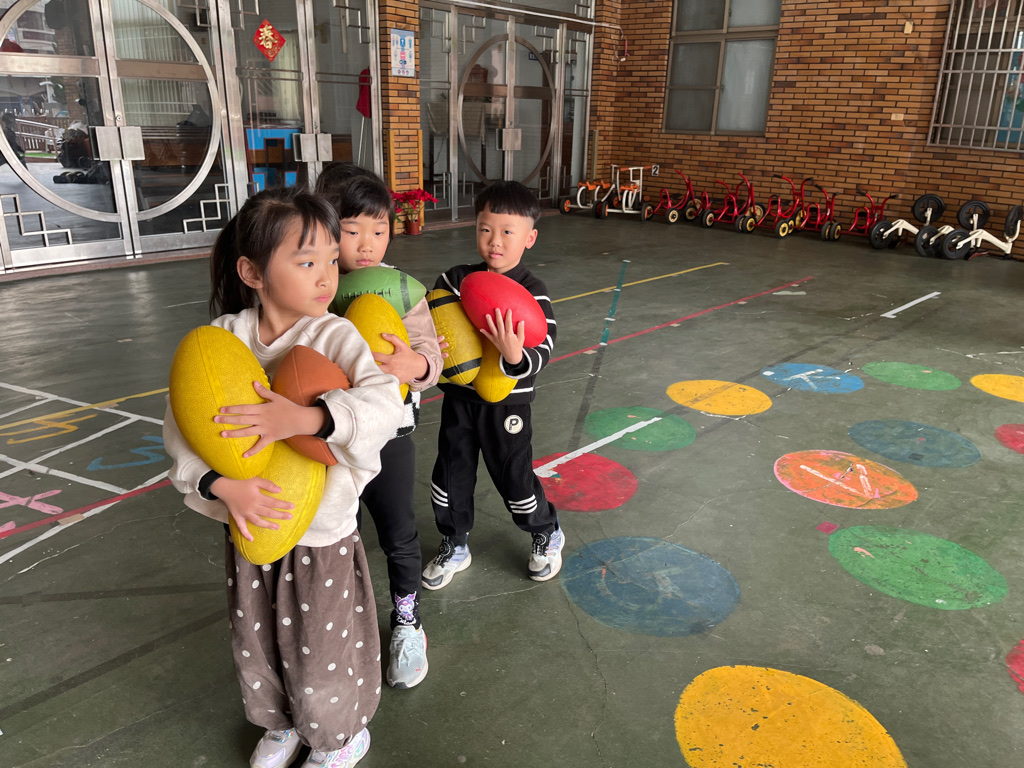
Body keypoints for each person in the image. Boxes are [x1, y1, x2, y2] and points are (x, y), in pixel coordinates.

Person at [163, 186, 404, 768]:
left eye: (330, 260)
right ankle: (281, 723)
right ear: (252, 272)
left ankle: (340, 735)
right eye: (306, 262)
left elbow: (385, 407)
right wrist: (221, 487)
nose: (327, 277)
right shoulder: (222, 339)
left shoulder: (335, 336)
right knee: (258, 641)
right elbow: (182, 428)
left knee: (322, 646)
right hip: (252, 528)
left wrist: (309, 419)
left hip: (322, 535)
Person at [315, 164, 443, 690]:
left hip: (391, 437)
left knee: (397, 531)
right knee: (334, 535)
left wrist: (418, 364)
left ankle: (408, 621)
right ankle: (336, 625)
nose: (367, 244)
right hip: (328, 439)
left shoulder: (400, 289)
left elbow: (432, 352)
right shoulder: (314, 285)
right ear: (326, 229)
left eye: (379, 229)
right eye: (352, 230)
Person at [422, 180, 563, 591]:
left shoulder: (533, 291)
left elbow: (545, 345)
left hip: (508, 407)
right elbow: (432, 326)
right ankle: (454, 542)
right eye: (485, 229)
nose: (495, 241)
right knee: (450, 476)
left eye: (507, 231)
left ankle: (546, 530)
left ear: (529, 238)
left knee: (514, 480)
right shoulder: (454, 280)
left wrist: (514, 355)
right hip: (460, 401)